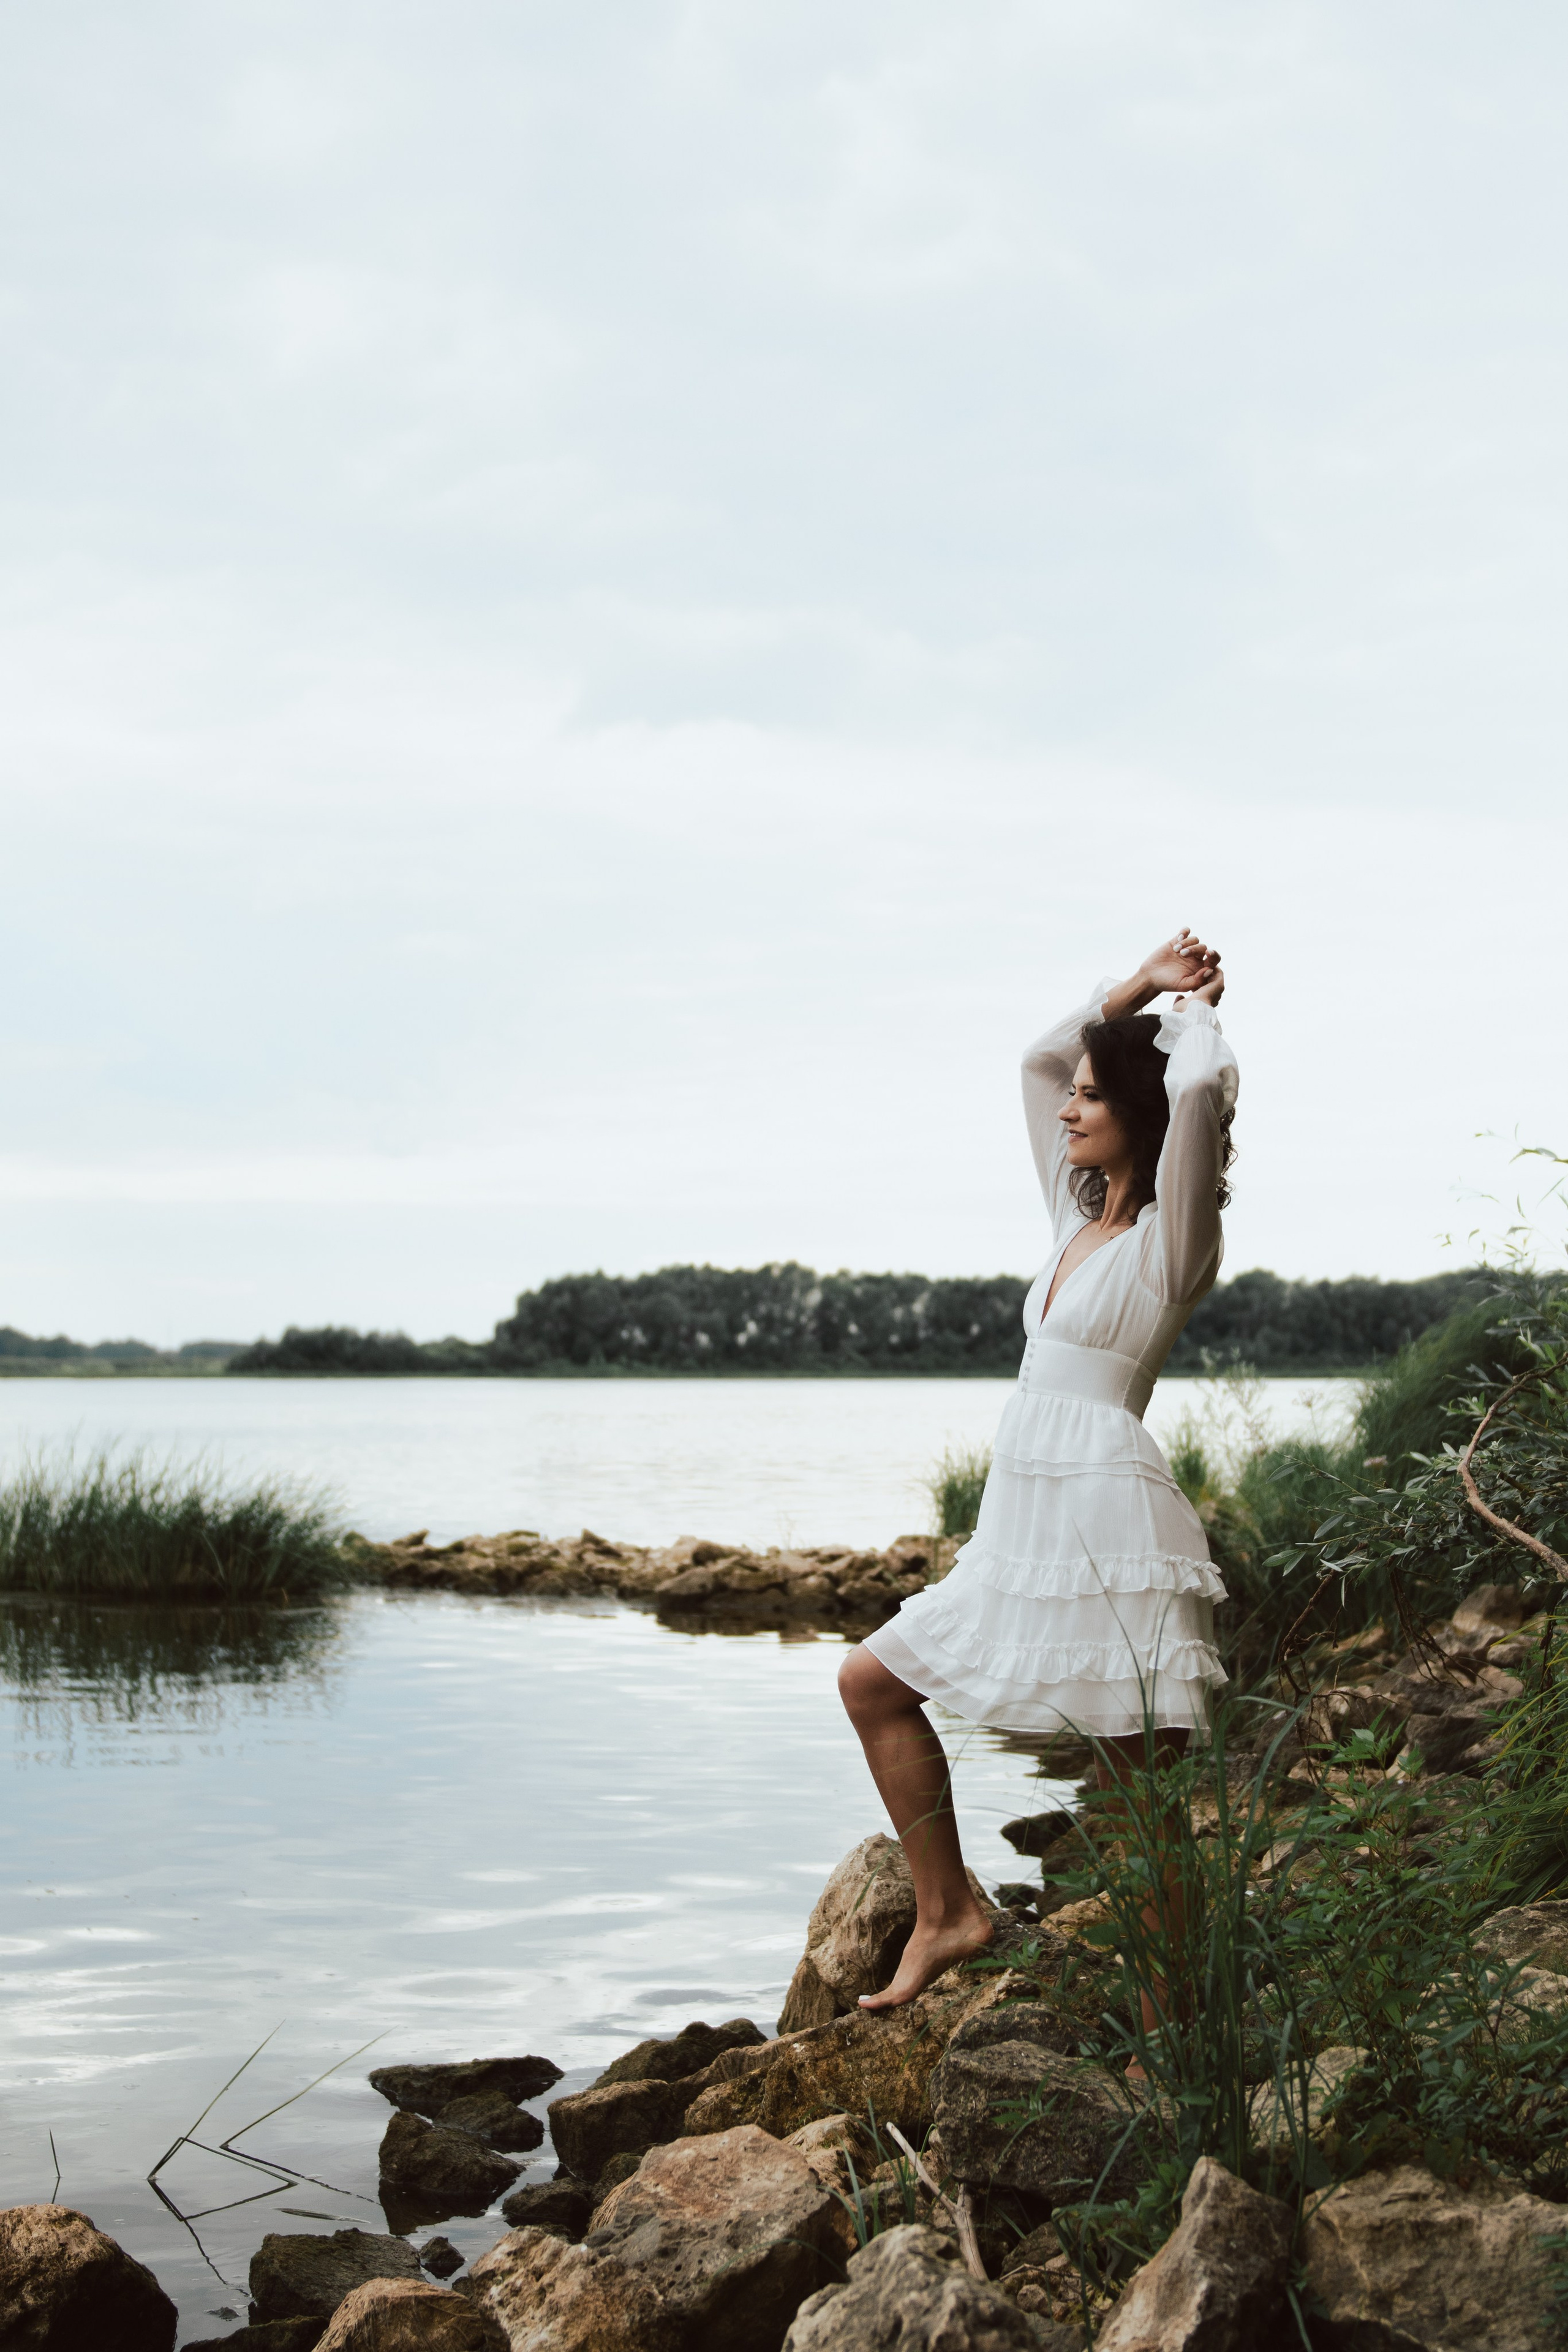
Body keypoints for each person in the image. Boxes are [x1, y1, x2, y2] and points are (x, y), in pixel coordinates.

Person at [838, 929, 1238, 2013]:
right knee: (873, 1683)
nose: (1069, 1109)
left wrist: (1193, 1011)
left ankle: (1179, 2030)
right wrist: (1143, 983)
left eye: (1095, 1097)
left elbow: (1197, 1087)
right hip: (1024, 1520)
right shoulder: (1073, 1215)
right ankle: (948, 1912)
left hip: (1108, 1515)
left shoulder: (1175, 1237)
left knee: (1130, 1783)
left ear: (1142, 1119)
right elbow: (1036, 1060)